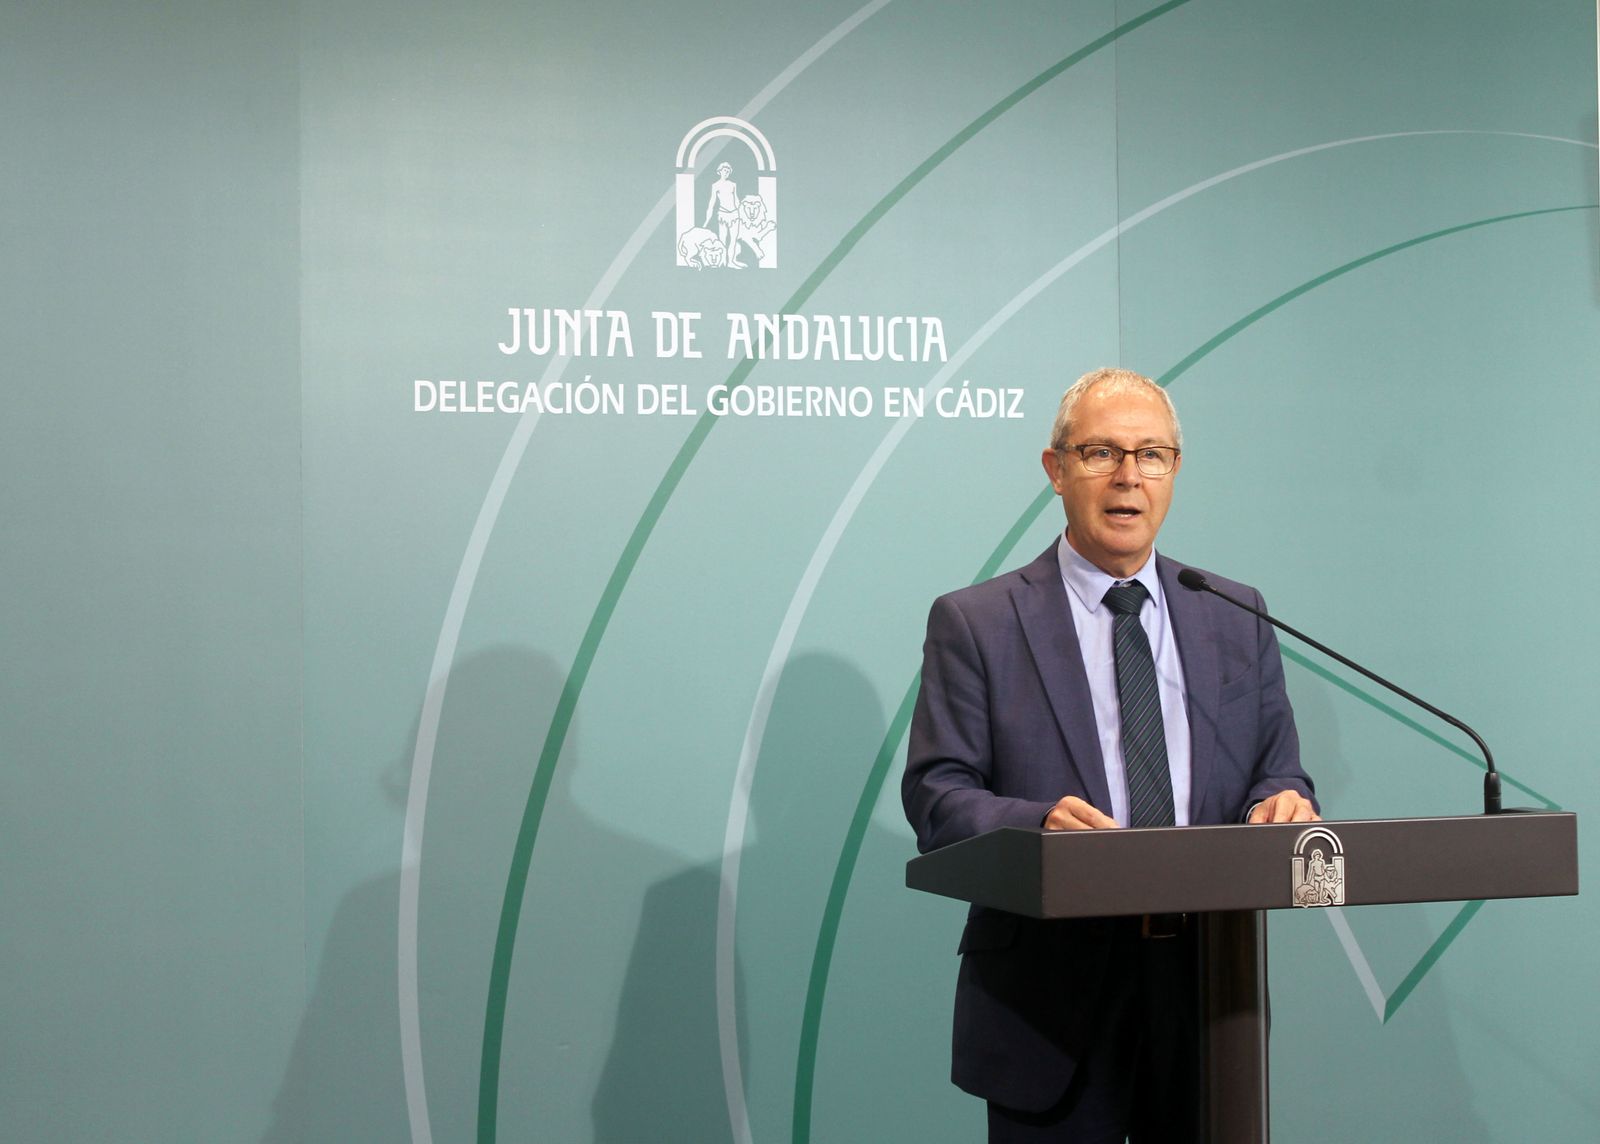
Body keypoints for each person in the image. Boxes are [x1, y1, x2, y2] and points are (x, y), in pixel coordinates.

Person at [902, 367, 1318, 1142]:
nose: (1129, 476)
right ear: (1055, 470)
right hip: (1048, 1000)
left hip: (1206, 985)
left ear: (1174, 473)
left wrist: (1282, 800)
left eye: (1151, 455)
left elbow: (1278, 767)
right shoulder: (979, 621)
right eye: (1101, 452)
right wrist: (1037, 822)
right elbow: (938, 795)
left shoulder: (1234, 613)